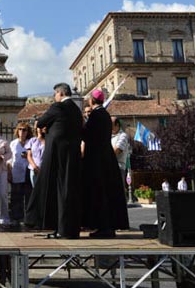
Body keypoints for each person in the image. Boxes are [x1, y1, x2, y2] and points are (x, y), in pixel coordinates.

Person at [25, 83, 83, 239]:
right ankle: (69, 229)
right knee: (69, 190)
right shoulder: (77, 110)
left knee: (57, 190)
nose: (54, 97)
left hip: (57, 154)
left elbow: (41, 122)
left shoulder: (58, 107)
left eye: (55, 94)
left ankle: (59, 228)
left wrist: (46, 128)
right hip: (73, 155)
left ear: (60, 93)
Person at [82, 89, 129, 239]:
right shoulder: (105, 114)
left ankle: (104, 228)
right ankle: (107, 226)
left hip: (98, 160)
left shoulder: (96, 115)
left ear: (92, 101)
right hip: (105, 157)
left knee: (100, 194)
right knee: (107, 194)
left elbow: (88, 135)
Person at [8, 123, 32, 228]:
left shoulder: (30, 143)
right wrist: (9, 173)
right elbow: (9, 159)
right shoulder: (13, 144)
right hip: (16, 172)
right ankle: (16, 218)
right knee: (16, 196)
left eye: (25, 130)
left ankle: (28, 218)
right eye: (20, 129)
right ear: (17, 131)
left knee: (28, 196)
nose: (22, 132)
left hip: (27, 171)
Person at [26, 122, 46, 187]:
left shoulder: (48, 140)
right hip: (34, 169)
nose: (39, 129)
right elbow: (29, 155)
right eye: (38, 127)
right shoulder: (32, 140)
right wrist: (34, 166)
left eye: (41, 127)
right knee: (35, 189)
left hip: (45, 169)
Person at [111, 116, 130, 182]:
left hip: (118, 168)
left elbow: (116, 150)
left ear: (117, 125)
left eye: (111, 125)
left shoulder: (123, 136)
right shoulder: (108, 136)